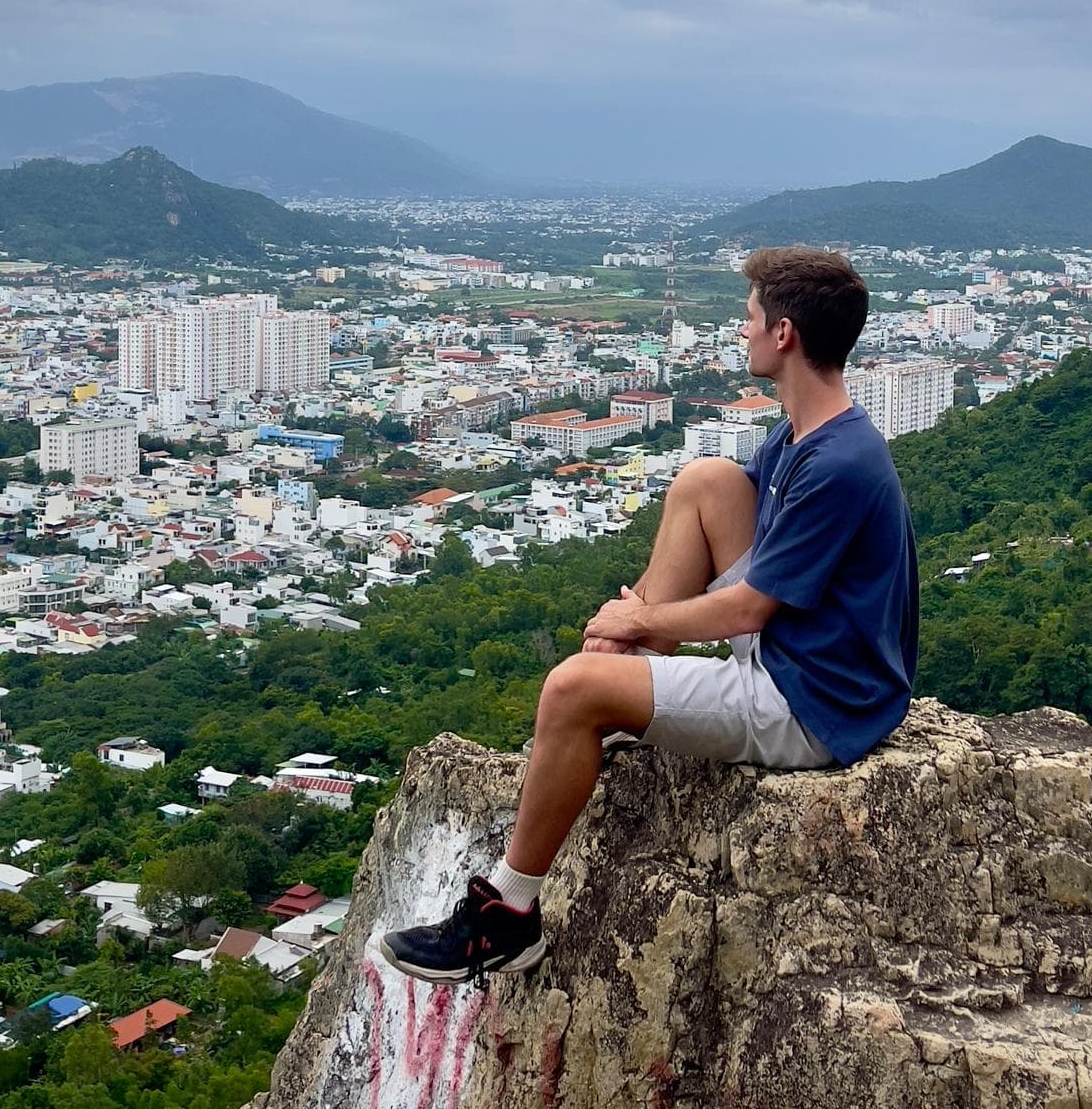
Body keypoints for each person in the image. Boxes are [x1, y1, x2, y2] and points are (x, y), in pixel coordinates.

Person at [380, 246, 919, 984]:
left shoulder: (840, 464)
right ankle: (623, 676)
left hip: (812, 704)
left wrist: (637, 622)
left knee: (571, 690)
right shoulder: (803, 434)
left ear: (784, 334)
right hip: (802, 654)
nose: (742, 330)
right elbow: (739, 540)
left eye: (751, 317)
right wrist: (642, 622)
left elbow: (752, 604)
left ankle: (508, 915)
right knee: (707, 480)